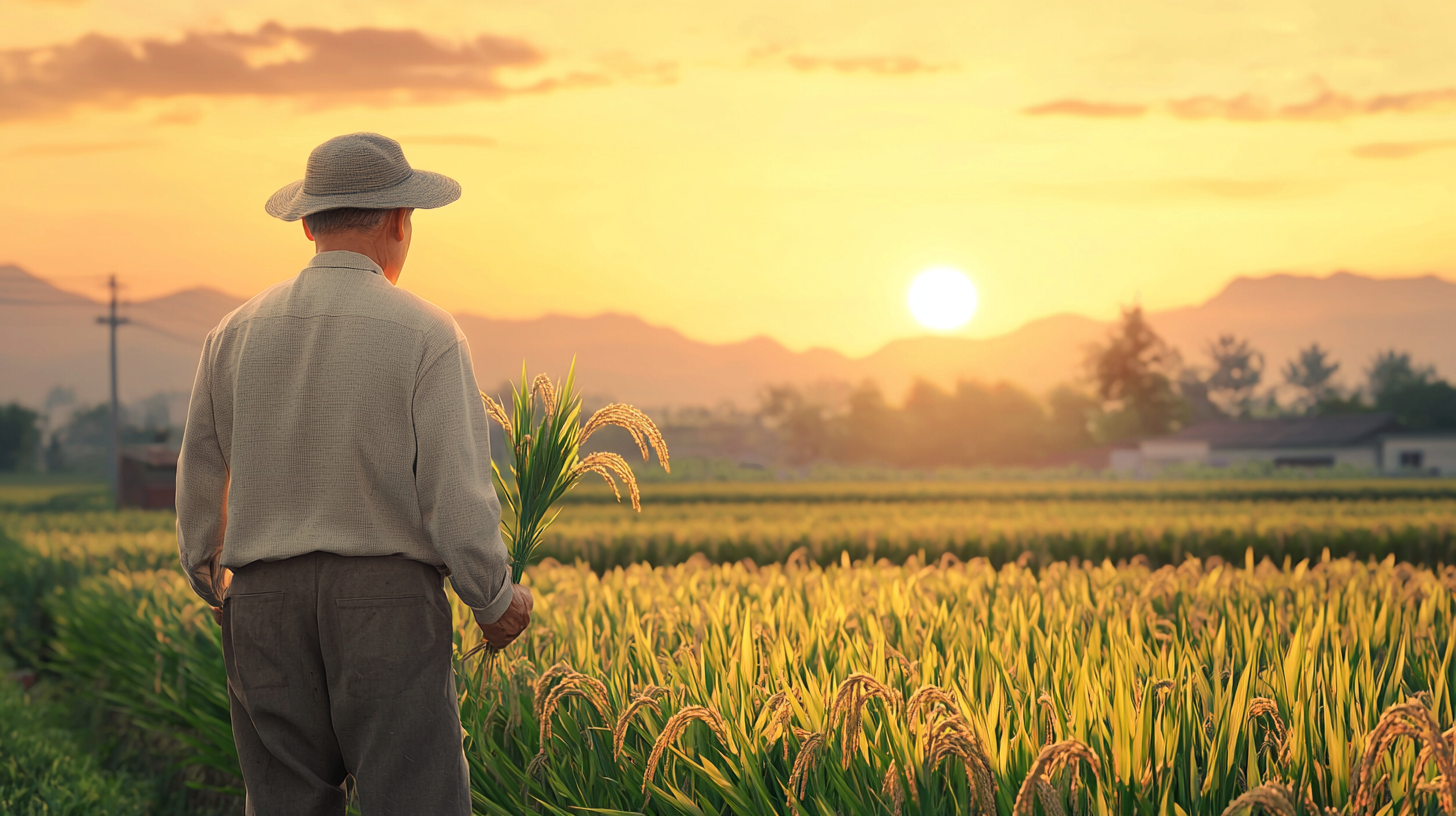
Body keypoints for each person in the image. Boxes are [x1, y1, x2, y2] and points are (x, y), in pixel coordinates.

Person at [176, 132, 531, 815]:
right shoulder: (427, 332)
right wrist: (493, 601)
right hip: (386, 604)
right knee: (414, 801)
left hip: (261, 601)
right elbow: (456, 502)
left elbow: (199, 476)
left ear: (308, 224)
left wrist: (210, 573)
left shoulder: (232, 332)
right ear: (401, 221)